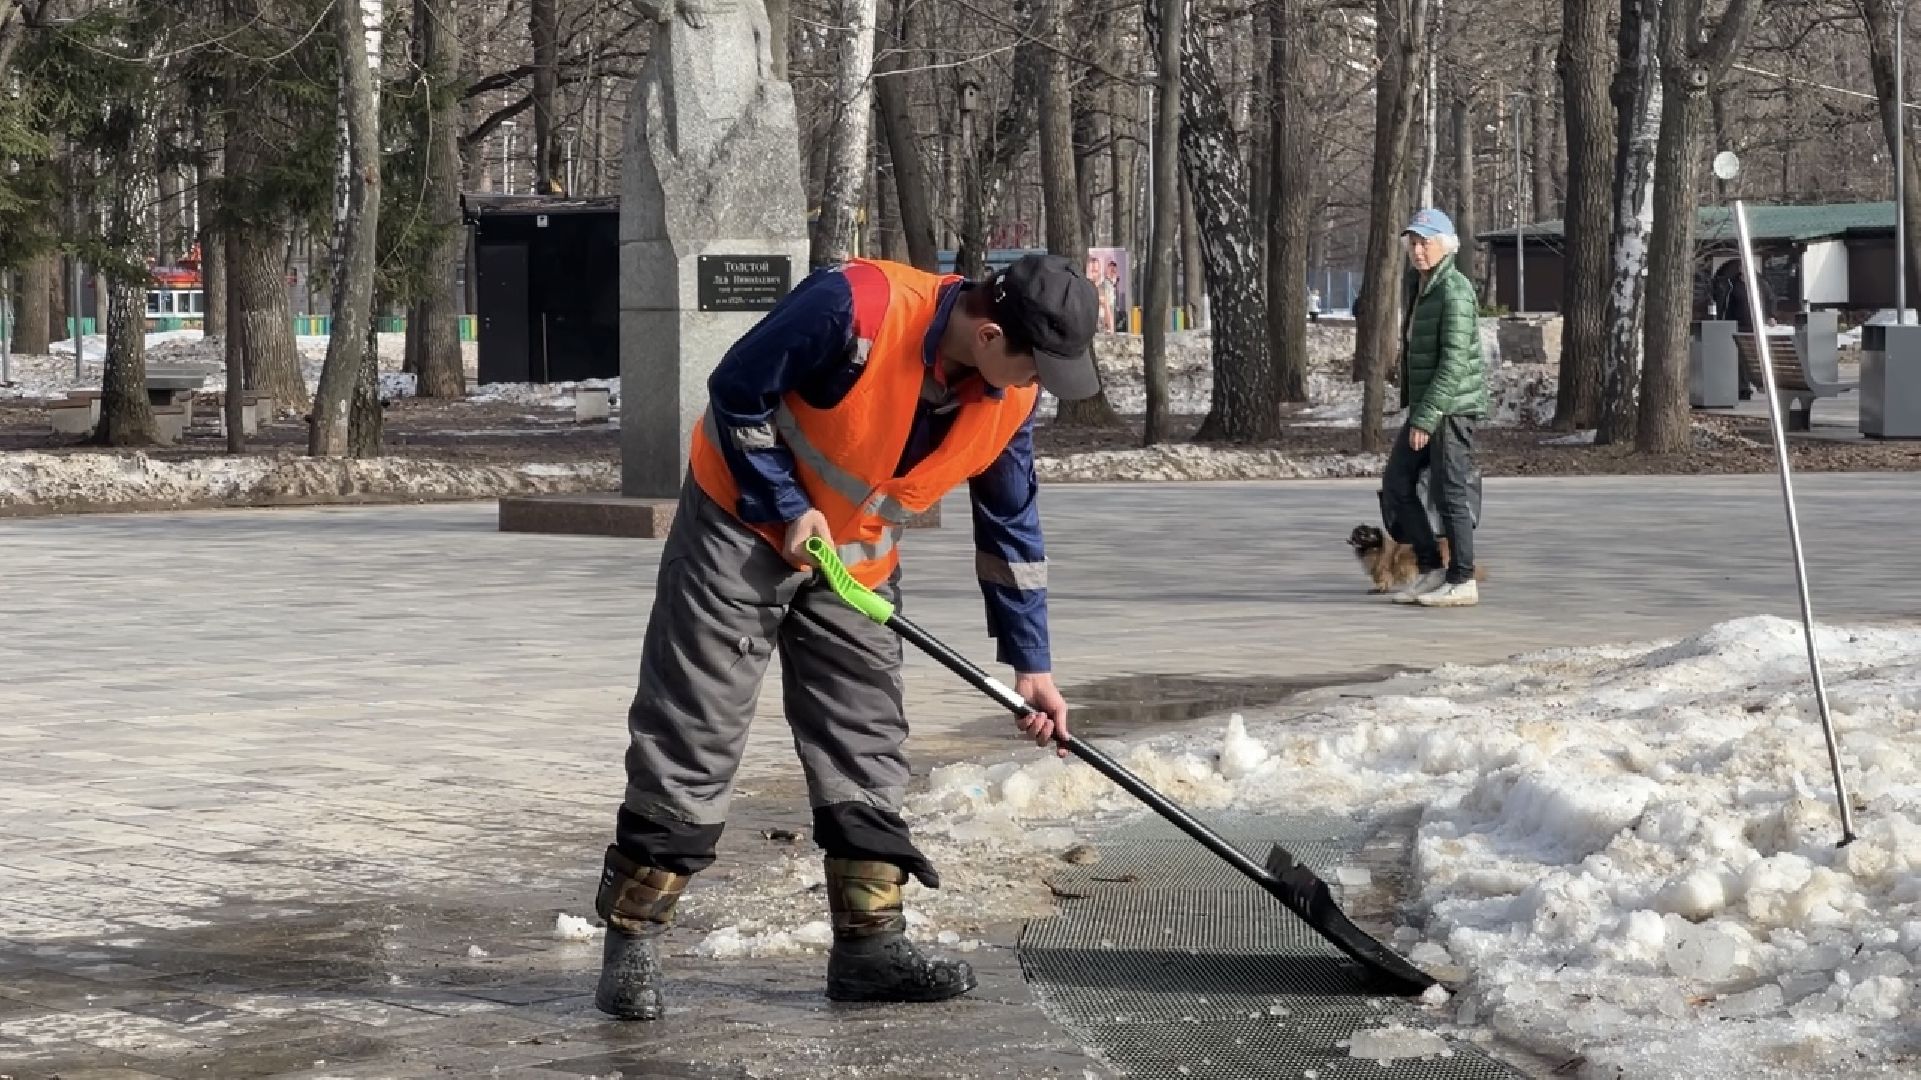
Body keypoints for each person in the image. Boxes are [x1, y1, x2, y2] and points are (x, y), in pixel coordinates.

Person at [592, 253, 1102, 1021]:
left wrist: (1031, 666)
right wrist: (784, 501)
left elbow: (1010, 526)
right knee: (695, 727)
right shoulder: (856, 306)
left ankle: (868, 949)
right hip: (739, 527)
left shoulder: (1006, 400)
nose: (1036, 386)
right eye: (1035, 366)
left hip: (856, 562)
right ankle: (631, 938)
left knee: (865, 738)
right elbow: (735, 389)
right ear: (990, 334)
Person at [1381, 208, 1489, 608]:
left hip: (1451, 409)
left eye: (1425, 242)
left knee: (1449, 493)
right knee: (1397, 484)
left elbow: (1454, 362)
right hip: (1430, 407)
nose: (1417, 250)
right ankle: (1432, 569)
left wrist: (1426, 417)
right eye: (1413, 242)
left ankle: (1462, 578)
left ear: (1446, 245)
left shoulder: (1454, 291)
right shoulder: (1425, 286)